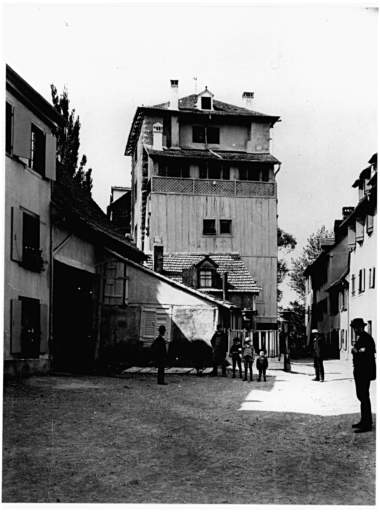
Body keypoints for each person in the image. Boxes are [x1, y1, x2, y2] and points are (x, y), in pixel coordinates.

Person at [351, 318, 376, 433]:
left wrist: (356, 351)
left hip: (364, 372)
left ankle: (367, 424)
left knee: (364, 397)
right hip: (360, 371)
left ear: (362, 327)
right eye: (354, 328)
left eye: (357, 328)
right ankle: (364, 420)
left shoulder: (367, 339)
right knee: (361, 396)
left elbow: (365, 354)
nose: (355, 330)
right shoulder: (362, 338)